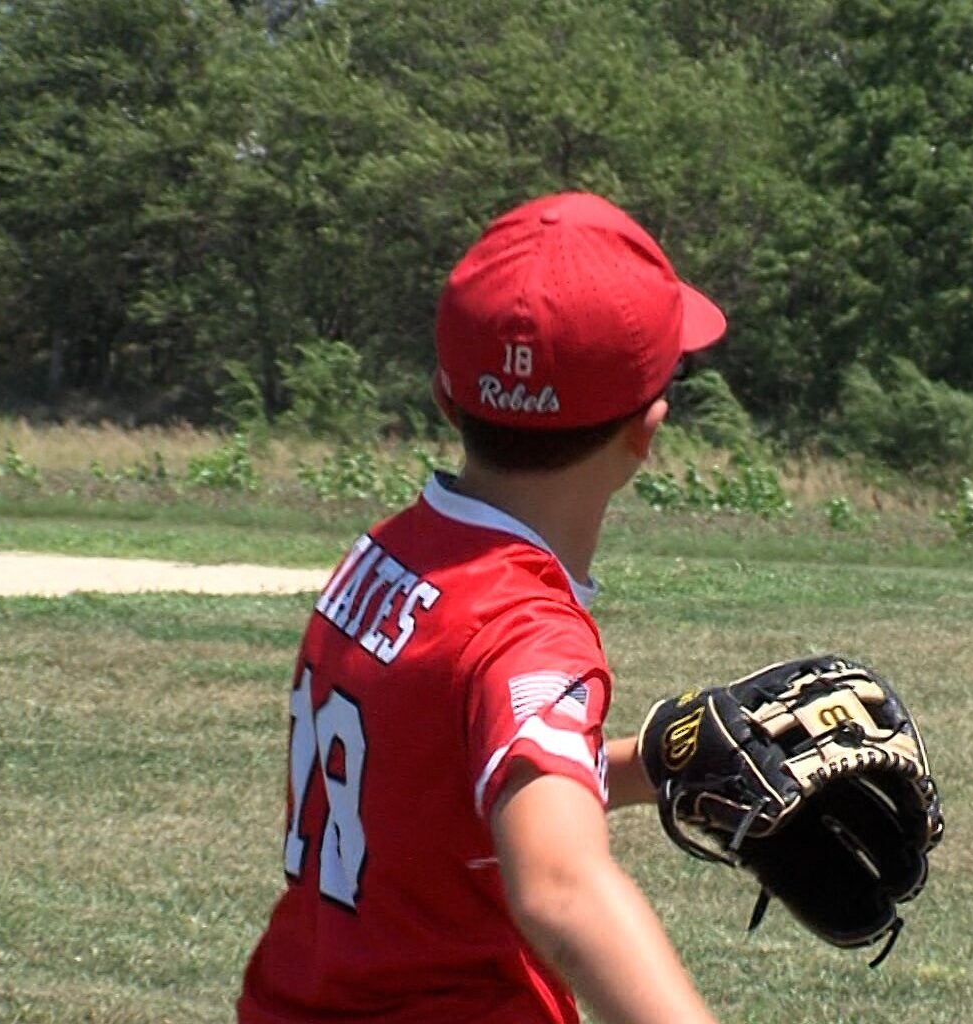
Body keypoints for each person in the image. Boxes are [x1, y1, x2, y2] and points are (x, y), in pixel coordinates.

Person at [237, 191, 730, 1024]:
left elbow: (422, 797)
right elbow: (562, 890)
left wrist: (640, 769)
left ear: (444, 395)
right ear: (648, 430)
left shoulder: (387, 554)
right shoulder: (527, 628)